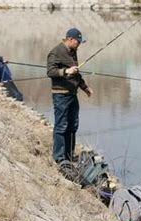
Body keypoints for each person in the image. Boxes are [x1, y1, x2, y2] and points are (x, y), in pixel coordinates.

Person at [47, 28, 93, 164]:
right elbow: (50, 71)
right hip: (60, 95)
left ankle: (68, 155)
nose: (79, 45)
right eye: (78, 42)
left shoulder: (73, 53)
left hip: (72, 95)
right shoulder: (56, 52)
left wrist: (85, 87)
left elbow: (76, 74)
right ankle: (59, 158)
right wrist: (66, 71)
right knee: (61, 126)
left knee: (73, 125)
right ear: (71, 39)